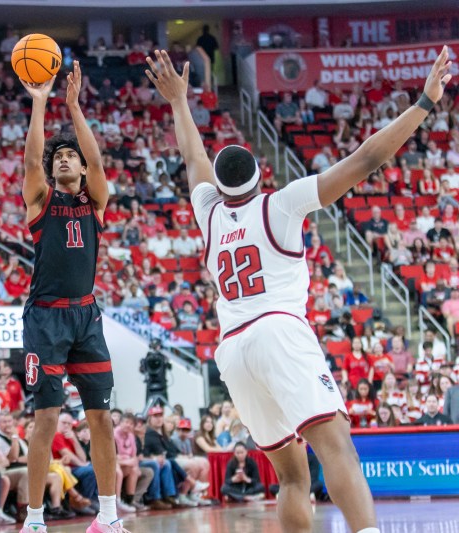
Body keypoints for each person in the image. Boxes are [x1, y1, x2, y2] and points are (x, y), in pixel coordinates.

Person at [147, 45, 452, 533]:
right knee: (336, 448)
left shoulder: (208, 212)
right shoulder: (280, 205)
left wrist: (179, 102)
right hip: (277, 333)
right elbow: (367, 158)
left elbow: (192, 156)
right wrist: (424, 103)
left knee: (291, 475)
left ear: (221, 188)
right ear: (260, 176)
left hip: (233, 351)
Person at [18, 60, 123, 533]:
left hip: (86, 317)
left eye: (69, 156)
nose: (62, 159)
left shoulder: (94, 200)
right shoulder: (41, 201)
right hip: (45, 319)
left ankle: (107, 516)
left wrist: (74, 106)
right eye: (57, 156)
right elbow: (29, 161)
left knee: (101, 417)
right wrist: (40, 103)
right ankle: (35, 519)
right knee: (47, 417)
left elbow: (99, 162)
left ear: (81, 168)